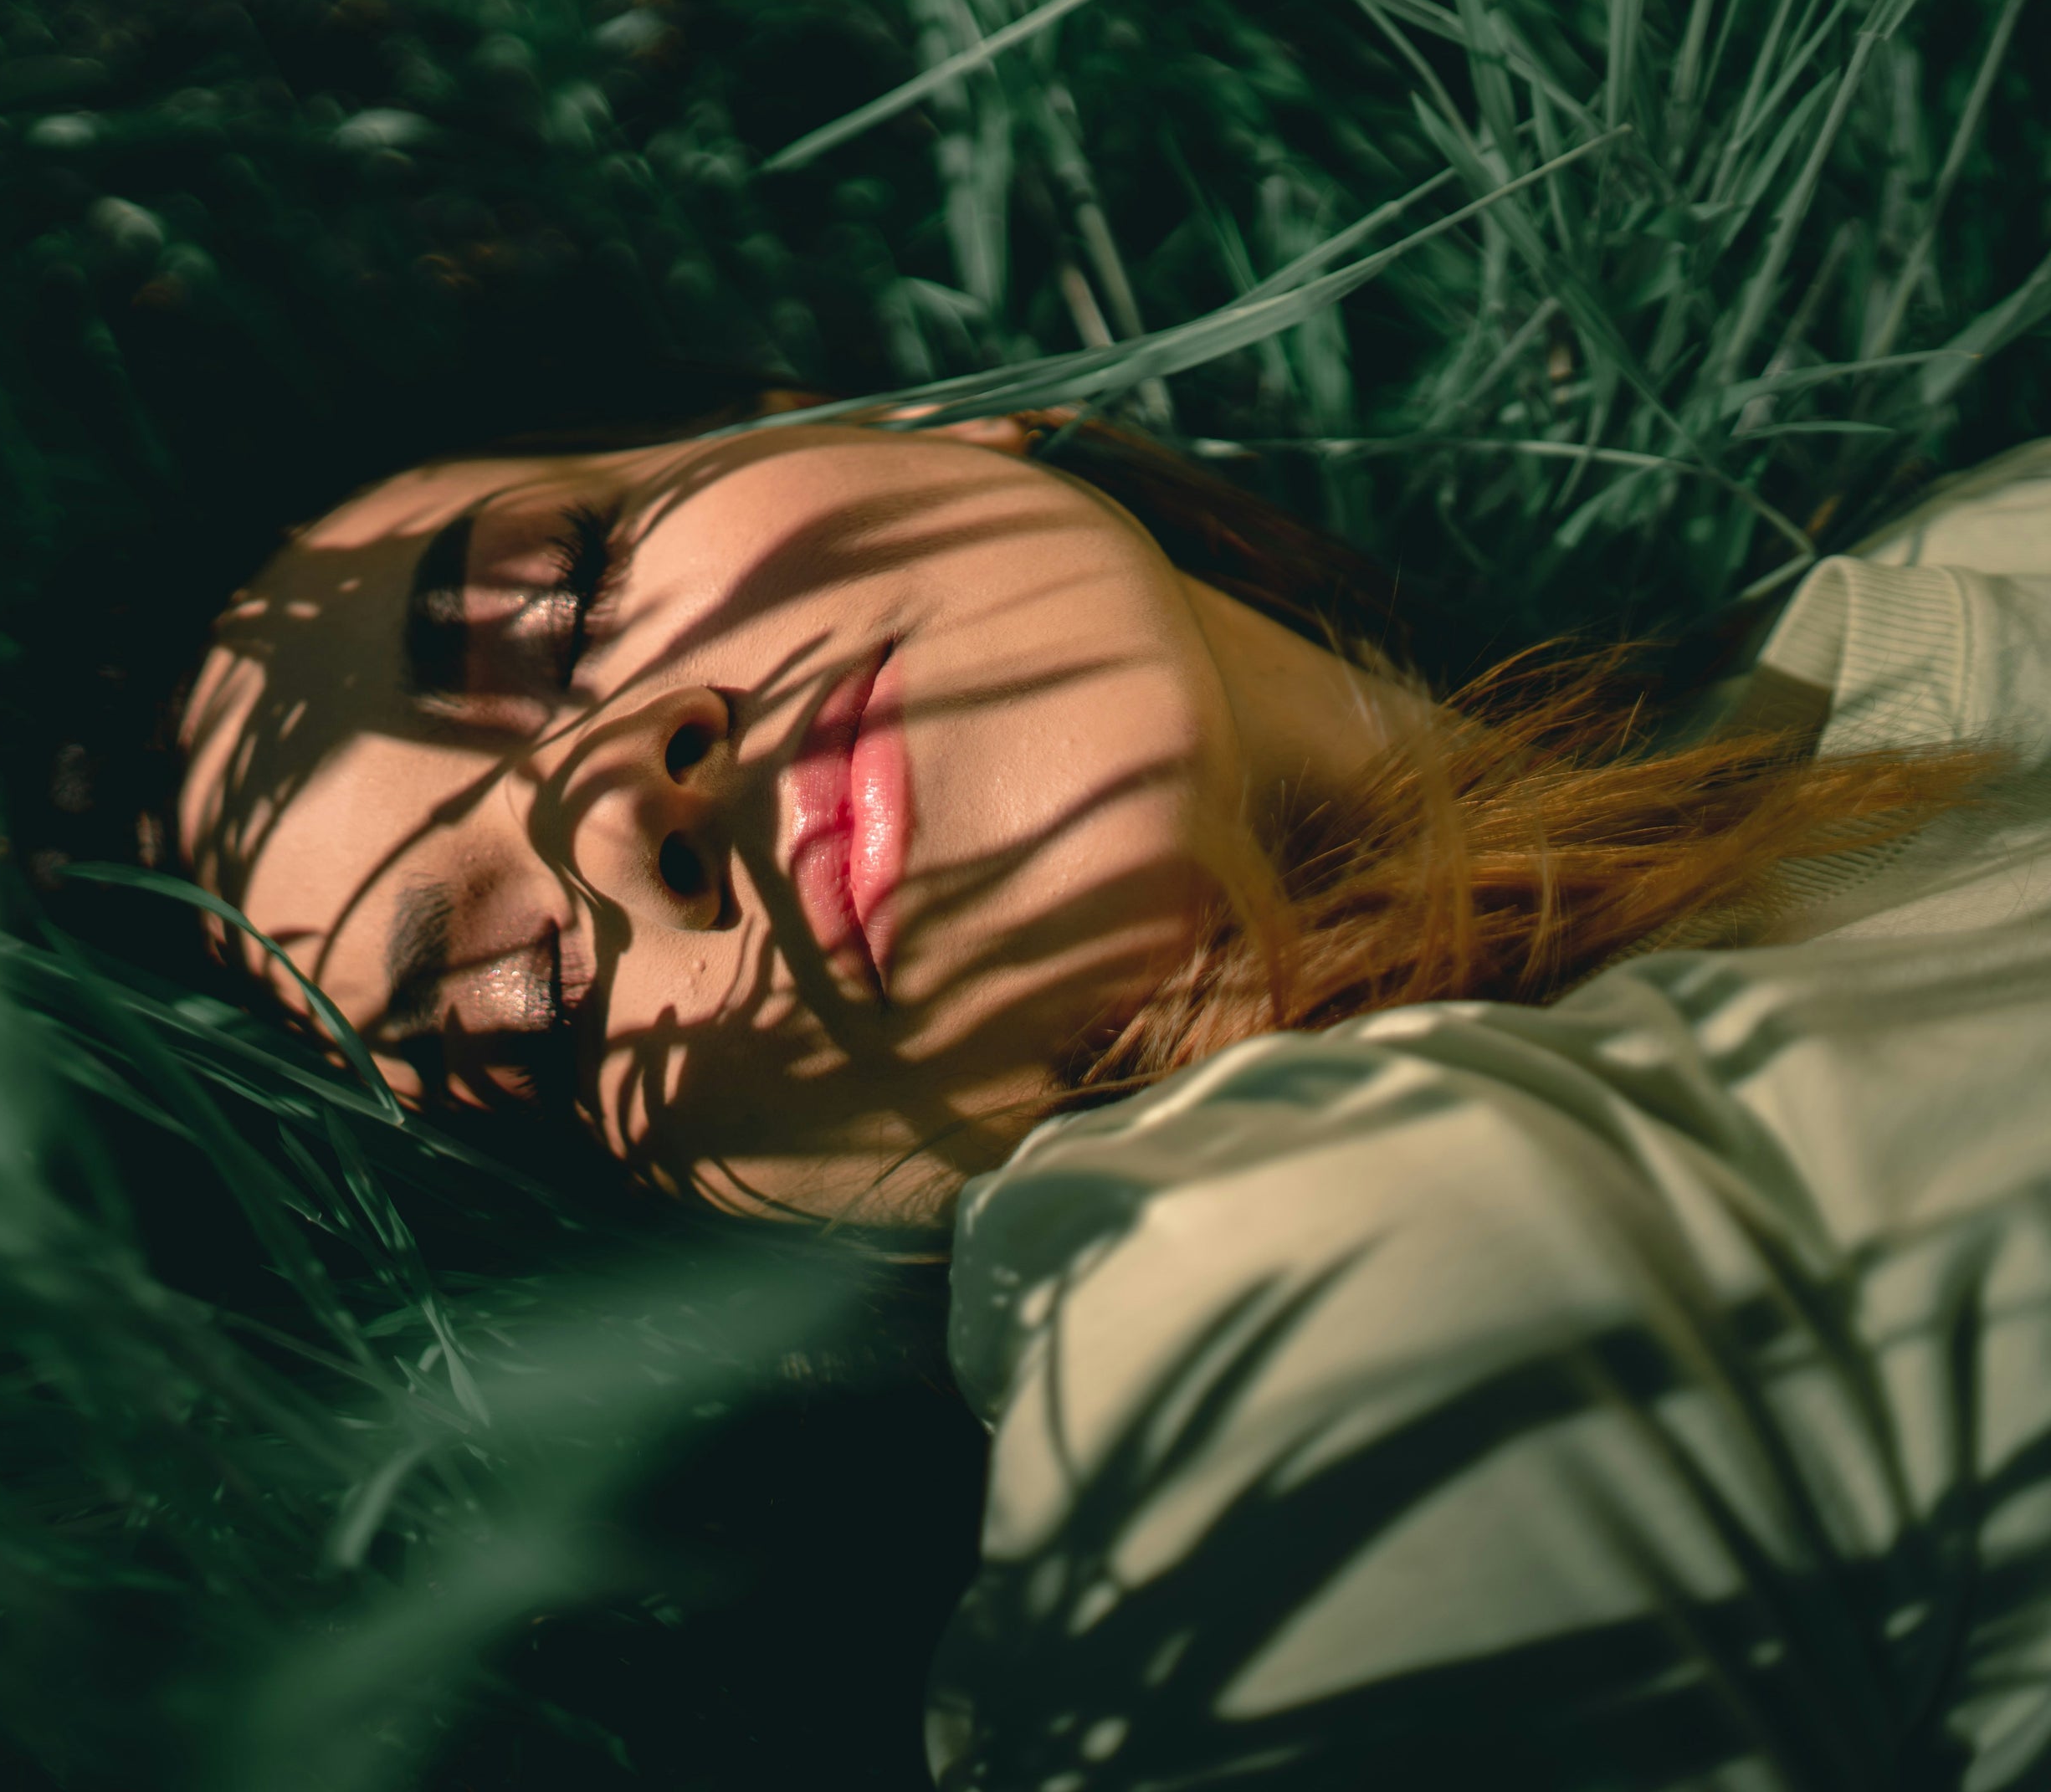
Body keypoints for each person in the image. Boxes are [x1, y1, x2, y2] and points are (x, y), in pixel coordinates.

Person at [169, 406, 2051, 1788]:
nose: (604, 804)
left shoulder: (1970, 563)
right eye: (532, 1000)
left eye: (558, 597)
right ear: (719, 1221)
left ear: (930, 426)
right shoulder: (1285, 1357)